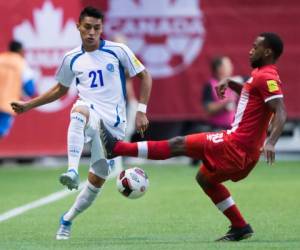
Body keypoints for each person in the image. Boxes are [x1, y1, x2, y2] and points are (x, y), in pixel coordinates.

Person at [99, 32, 286, 241]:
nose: (251, 50)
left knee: (178, 144)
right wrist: (233, 84)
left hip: (236, 145)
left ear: (268, 51)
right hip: (243, 150)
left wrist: (271, 142)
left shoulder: (266, 76)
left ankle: (116, 148)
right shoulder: (262, 75)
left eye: (256, 47)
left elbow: (280, 110)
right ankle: (240, 226)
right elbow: (255, 96)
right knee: (205, 179)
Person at [11, 6, 152, 240]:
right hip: (90, 112)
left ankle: (67, 219)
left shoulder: (118, 50)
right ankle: (72, 170)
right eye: (87, 27)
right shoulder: (71, 58)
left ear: (102, 29)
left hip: (114, 125)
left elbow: (145, 75)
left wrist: (141, 110)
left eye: (96, 28)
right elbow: (60, 89)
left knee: (97, 180)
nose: (91, 32)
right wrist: (29, 105)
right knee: (79, 111)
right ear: (78, 27)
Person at [0, 40, 35, 138]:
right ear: (20, 51)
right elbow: (30, 89)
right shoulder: (21, 63)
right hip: (6, 104)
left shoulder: (1, 58)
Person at [202, 56, 241, 130]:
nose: (231, 67)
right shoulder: (210, 86)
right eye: (228, 65)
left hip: (233, 128)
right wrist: (225, 105)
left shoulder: (233, 84)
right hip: (217, 129)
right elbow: (209, 109)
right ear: (219, 68)